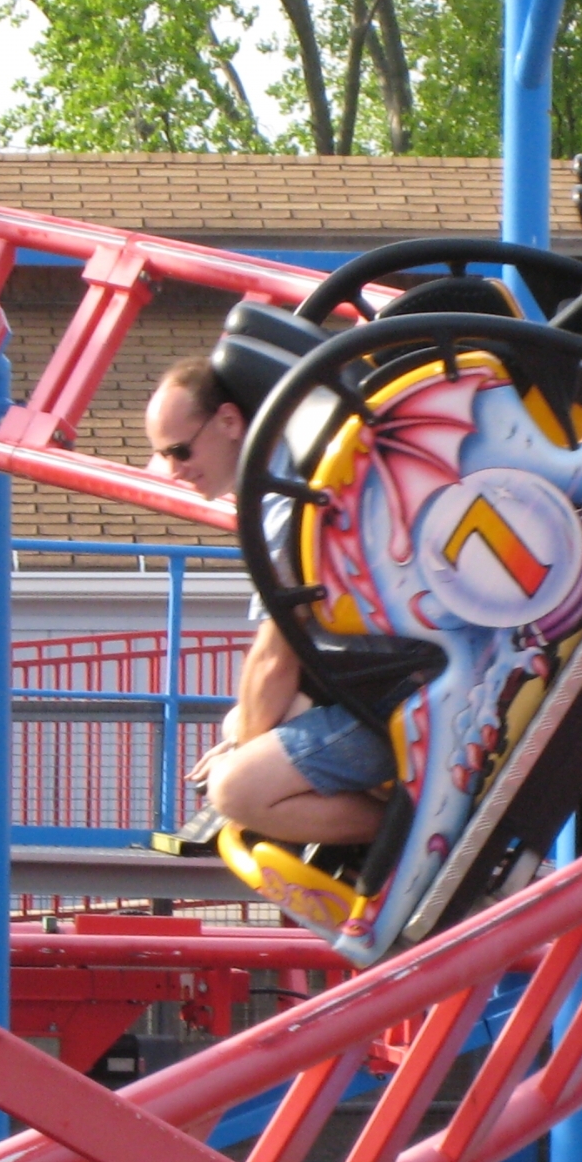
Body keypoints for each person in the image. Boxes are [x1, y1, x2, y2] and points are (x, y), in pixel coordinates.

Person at [145, 356, 392, 845]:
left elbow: (273, 659)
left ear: (229, 422)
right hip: (373, 680)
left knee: (236, 790)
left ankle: (416, 837)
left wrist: (241, 757)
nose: (174, 471)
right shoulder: (283, 475)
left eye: (179, 451)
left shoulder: (285, 505)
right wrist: (242, 738)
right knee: (241, 719)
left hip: (404, 700)